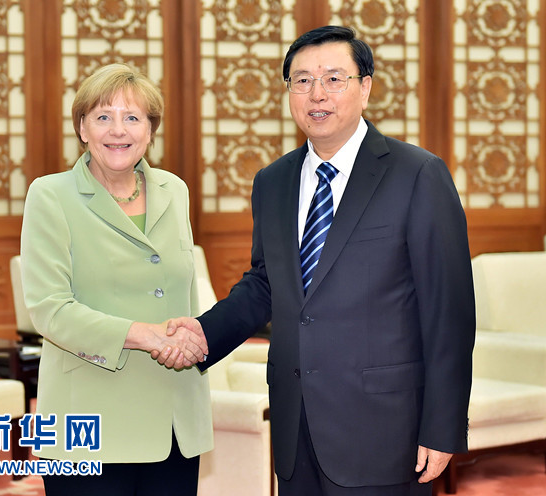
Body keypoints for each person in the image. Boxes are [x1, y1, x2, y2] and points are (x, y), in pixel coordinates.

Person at [161, 26, 476, 496]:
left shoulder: (417, 174)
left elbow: (448, 312)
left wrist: (443, 426)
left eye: (333, 78)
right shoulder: (273, 181)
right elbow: (266, 284)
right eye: (302, 80)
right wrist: (203, 334)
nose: (317, 94)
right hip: (296, 427)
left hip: (385, 429)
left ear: (365, 87)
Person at [20, 63, 212, 496]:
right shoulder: (50, 195)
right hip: (89, 421)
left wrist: (197, 340)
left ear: (150, 130)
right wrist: (143, 334)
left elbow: (185, 295)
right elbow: (51, 310)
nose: (118, 130)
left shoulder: (174, 190)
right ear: (82, 128)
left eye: (133, 117)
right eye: (103, 116)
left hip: (175, 417)